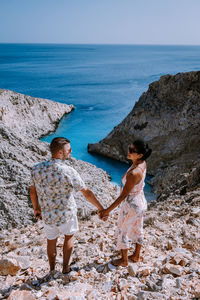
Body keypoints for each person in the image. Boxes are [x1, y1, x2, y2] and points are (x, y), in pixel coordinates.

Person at [30, 137, 104, 274]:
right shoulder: (68, 171)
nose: (71, 152)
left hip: (48, 214)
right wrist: (101, 208)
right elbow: (86, 193)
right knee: (69, 237)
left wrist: (36, 209)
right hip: (66, 214)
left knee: (50, 241)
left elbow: (33, 192)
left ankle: (52, 269)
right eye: (68, 150)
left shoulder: (36, 169)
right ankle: (65, 268)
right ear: (60, 152)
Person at [99, 140, 152, 266]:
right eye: (130, 148)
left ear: (140, 155)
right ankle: (136, 255)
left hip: (131, 204)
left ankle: (124, 260)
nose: (129, 151)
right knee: (138, 228)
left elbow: (123, 196)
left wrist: (107, 210)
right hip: (140, 200)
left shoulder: (134, 173)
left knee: (124, 230)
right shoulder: (142, 163)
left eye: (132, 151)